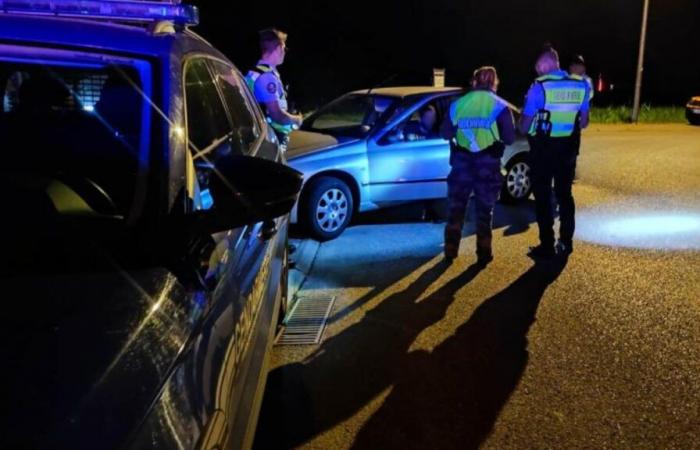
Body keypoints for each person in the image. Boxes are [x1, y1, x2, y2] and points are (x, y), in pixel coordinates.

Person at [519, 48, 590, 259]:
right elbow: (584, 122)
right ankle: (566, 242)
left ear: (543, 66)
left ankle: (547, 244)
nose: (537, 71)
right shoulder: (581, 85)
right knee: (565, 195)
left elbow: (524, 127)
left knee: (543, 197)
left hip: (543, 150)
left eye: (537, 68)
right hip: (567, 151)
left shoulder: (539, 88)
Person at [440, 66, 515, 265]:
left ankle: (450, 251)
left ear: (474, 81)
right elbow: (509, 138)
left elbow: (445, 133)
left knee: (456, 209)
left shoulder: (458, 105)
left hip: (462, 164)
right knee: (484, 212)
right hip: (487, 166)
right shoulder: (500, 106)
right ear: (494, 83)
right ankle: (483, 253)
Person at [245, 28, 302, 149]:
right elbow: (276, 115)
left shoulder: (257, 70)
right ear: (278, 49)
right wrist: (296, 120)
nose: (285, 52)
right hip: (272, 136)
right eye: (284, 48)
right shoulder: (267, 77)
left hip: (263, 134)